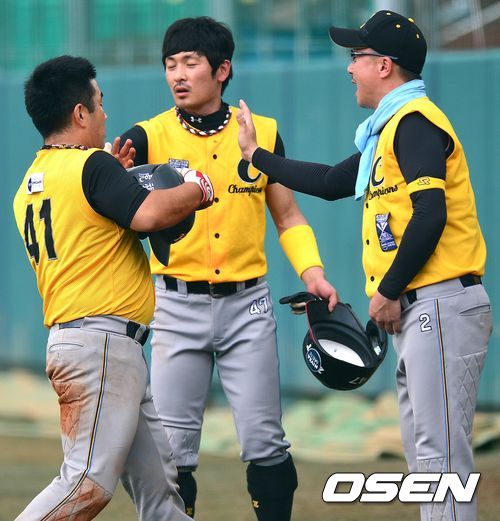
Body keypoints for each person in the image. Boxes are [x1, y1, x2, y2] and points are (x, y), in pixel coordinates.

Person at [237, 10, 492, 521]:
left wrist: (390, 289)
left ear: (385, 65)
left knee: (441, 460)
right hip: (424, 307)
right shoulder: (388, 131)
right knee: (428, 459)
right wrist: (256, 156)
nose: (349, 67)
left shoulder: (414, 122)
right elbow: (331, 181)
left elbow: (431, 214)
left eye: (356, 56)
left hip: (439, 303)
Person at [120, 16, 337, 521]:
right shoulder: (146, 136)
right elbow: (113, 205)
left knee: (266, 445)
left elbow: (288, 217)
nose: (178, 74)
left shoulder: (262, 133)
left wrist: (313, 273)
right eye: (170, 64)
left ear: (222, 70)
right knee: (172, 456)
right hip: (175, 306)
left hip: (248, 307)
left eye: (190, 63)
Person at [13, 55, 214, 521]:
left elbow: (93, 230)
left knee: (161, 495)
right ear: (79, 113)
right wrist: (197, 187)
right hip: (101, 346)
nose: (105, 114)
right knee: (87, 483)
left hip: (88, 344)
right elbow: (150, 215)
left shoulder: (29, 184)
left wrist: (114, 180)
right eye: (99, 103)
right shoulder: (92, 166)